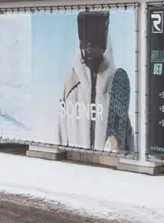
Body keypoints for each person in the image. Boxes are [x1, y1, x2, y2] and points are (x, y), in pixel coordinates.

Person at [57, 10, 134, 151]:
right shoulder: (70, 85)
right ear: (81, 45)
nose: (91, 50)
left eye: (95, 45)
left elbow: (125, 133)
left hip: (107, 169)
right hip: (75, 166)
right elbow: (61, 132)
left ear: (103, 45)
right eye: (87, 45)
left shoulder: (116, 87)